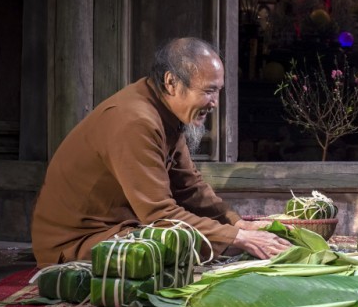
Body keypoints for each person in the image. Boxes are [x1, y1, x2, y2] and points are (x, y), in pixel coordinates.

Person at [32, 37, 291, 266]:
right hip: (76, 243)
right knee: (180, 245)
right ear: (171, 82)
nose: (214, 103)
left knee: (209, 243)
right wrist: (239, 238)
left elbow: (190, 187)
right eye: (208, 91)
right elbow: (160, 216)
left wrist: (236, 222)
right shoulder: (135, 121)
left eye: (218, 91)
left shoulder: (164, 111)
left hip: (120, 228)